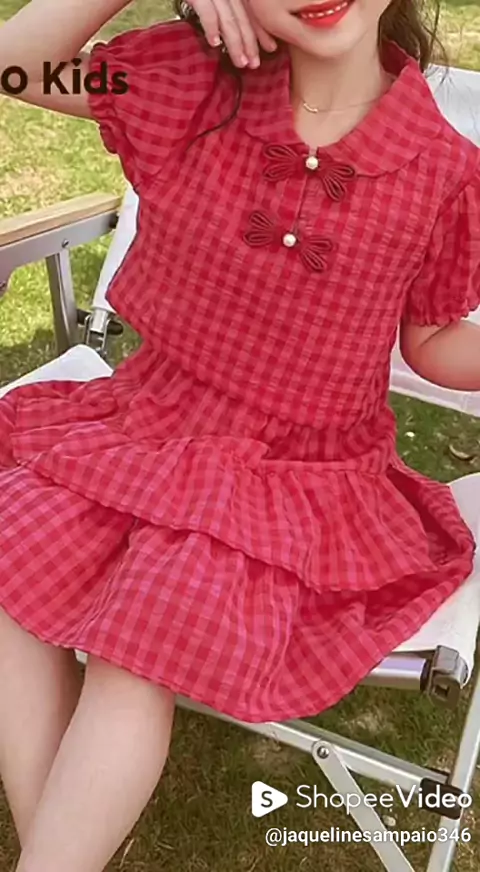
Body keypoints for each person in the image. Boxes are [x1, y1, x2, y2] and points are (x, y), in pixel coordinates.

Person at [0, 0, 479, 869]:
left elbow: (434, 341)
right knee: (8, 560)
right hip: (142, 427)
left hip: (299, 481)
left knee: (141, 644)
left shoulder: (444, 169)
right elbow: (15, 63)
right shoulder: (185, 86)